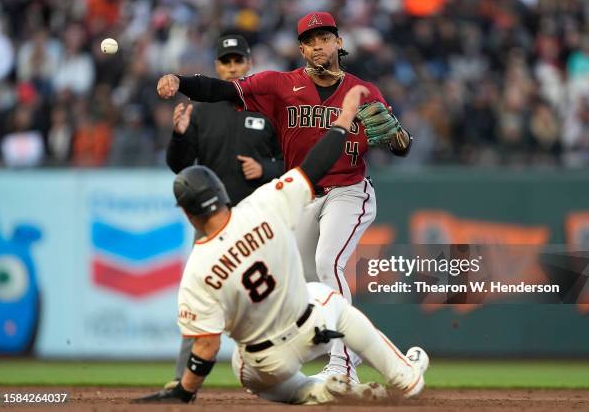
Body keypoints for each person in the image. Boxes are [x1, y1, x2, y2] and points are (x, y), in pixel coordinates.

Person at [155, 12, 412, 382]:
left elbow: (399, 145)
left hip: (348, 191)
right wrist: (180, 81)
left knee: (328, 262)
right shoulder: (279, 85)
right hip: (306, 196)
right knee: (305, 282)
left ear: (339, 42)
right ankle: (342, 349)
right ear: (301, 49)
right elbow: (223, 90)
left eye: (325, 37)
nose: (318, 45)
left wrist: (399, 138)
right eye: (310, 40)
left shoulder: (364, 91)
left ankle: (342, 364)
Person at [135, 85, 428, 405]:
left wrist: (185, 390)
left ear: (189, 214)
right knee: (328, 297)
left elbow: (206, 348)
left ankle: (313, 392)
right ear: (220, 192)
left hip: (263, 364)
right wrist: (343, 119)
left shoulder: (197, 269)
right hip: (308, 330)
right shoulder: (264, 205)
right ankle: (405, 376)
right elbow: (315, 166)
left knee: (243, 368)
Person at [166, 34, 283, 385]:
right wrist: (180, 135)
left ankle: (278, 377)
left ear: (250, 63)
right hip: (212, 224)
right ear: (217, 66)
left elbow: (294, 160)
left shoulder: (268, 107)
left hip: (258, 221)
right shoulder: (200, 110)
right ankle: (182, 381)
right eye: (226, 61)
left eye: (238, 60)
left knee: (268, 303)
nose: (232, 67)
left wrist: (267, 169)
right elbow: (180, 166)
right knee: (200, 303)